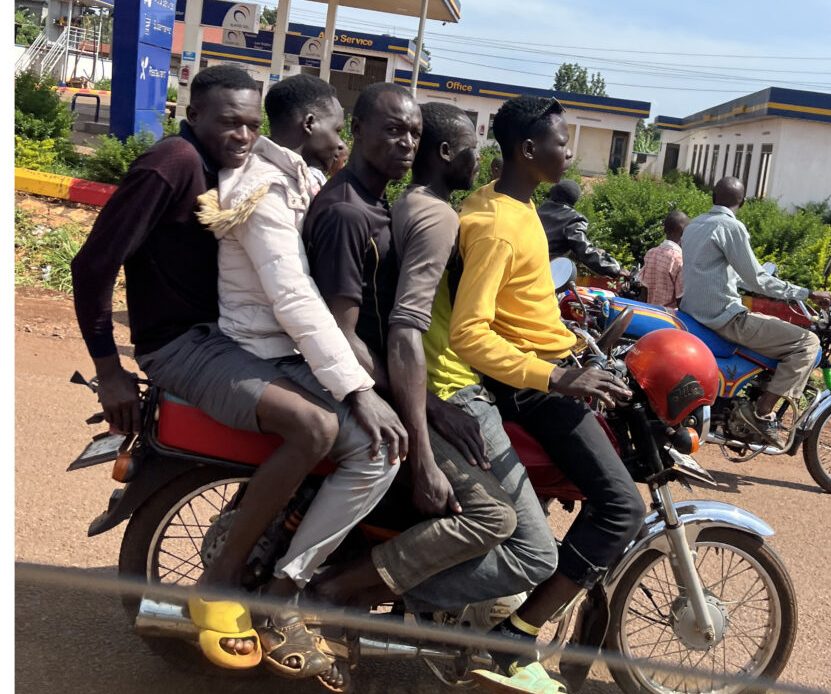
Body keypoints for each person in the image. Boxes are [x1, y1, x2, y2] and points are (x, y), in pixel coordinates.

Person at [69, 65, 398, 673]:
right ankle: (220, 580)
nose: (243, 135)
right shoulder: (172, 163)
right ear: (193, 116)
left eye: (250, 123)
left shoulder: (238, 171)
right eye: (229, 123)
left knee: (343, 430)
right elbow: (92, 266)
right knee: (314, 427)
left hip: (220, 337)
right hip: (179, 344)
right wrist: (107, 366)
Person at [195, 74, 405, 684]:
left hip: (288, 346)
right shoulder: (262, 188)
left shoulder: (299, 177)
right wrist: (358, 389)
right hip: (269, 348)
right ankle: (288, 587)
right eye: (340, 128)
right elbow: (295, 299)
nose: (343, 141)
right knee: (378, 447)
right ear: (310, 126)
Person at [298, 83, 534, 620]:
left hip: (392, 380)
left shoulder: (382, 202)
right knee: (493, 517)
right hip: (360, 384)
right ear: (358, 132)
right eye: (393, 129)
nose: (406, 142)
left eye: (413, 133)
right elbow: (347, 334)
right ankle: (332, 590)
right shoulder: (350, 212)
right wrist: (424, 428)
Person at [449, 96, 644, 693]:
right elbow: (469, 331)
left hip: (554, 364)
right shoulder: (498, 227)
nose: (570, 153)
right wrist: (559, 376)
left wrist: (575, 342)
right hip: (533, 388)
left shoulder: (511, 204)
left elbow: (524, 304)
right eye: (561, 142)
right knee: (623, 509)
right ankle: (516, 635)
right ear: (528, 151)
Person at [384, 101, 557, 613]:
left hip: (450, 384)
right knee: (530, 547)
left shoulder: (433, 207)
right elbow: (406, 326)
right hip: (451, 388)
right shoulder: (440, 218)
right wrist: (431, 410)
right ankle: (377, 595)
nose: (480, 161)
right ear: (444, 154)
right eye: (470, 151)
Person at [680, 176, 831, 445]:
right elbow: (757, 279)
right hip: (725, 319)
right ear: (743, 202)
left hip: (693, 314)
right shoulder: (731, 227)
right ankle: (762, 414)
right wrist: (805, 293)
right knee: (807, 342)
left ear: (713, 198)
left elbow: (715, 273)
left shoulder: (693, 226)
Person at [538, 178, 623, 278]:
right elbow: (584, 250)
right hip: (546, 274)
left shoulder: (536, 210)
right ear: (574, 198)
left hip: (522, 268)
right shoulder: (573, 218)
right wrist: (615, 269)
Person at [640, 209, 689, 308]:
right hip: (669, 318)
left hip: (650, 313)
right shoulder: (679, 259)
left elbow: (644, 290)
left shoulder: (651, 253)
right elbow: (681, 299)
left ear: (664, 230)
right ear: (682, 231)